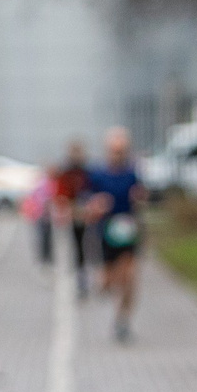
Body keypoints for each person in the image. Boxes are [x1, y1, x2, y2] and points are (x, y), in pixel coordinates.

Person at [82, 126, 146, 341]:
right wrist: (96, 204)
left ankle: (123, 320)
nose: (119, 155)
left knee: (130, 277)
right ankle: (106, 283)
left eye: (122, 150)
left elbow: (140, 197)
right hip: (106, 231)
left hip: (128, 230)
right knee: (110, 280)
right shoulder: (98, 174)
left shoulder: (132, 173)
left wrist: (139, 197)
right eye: (115, 151)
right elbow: (87, 201)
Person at [51, 140, 92, 296]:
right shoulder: (66, 172)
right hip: (75, 212)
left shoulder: (87, 171)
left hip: (89, 212)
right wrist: (64, 207)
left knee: (89, 246)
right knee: (78, 245)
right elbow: (60, 193)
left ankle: (88, 273)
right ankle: (80, 275)